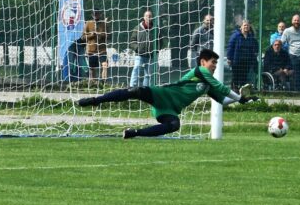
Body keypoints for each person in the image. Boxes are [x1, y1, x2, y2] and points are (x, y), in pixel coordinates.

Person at [77, 49, 257, 139]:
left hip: (170, 108)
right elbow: (225, 89)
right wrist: (240, 98)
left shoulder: (208, 85)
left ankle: (134, 133)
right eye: (213, 62)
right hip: (163, 95)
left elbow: (223, 99)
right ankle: (96, 100)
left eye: (216, 63)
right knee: (136, 90)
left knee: (174, 125)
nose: (215, 66)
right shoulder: (200, 71)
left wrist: (243, 101)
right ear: (203, 62)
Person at [226, 19, 258, 91]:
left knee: (244, 77)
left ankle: (242, 92)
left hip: (247, 61)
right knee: (235, 76)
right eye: (244, 25)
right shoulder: (235, 35)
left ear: (249, 26)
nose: (246, 27)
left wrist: (254, 54)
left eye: (247, 25)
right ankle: (234, 90)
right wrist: (229, 58)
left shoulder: (251, 37)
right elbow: (230, 47)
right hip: (236, 60)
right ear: (241, 27)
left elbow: (255, 47)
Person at [129, 9, 156, 87]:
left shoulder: (155, 28)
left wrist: (156, 50)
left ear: (152, 18)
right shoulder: (137, 28)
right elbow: (132, 41)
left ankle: (145, 88)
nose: (148, 17)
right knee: (136, 69)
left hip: (151, 55)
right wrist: (138, 48)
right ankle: (132, 87)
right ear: (144, 17)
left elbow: (160, 40)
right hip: (139, 54)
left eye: (150, 16)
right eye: (147, 16)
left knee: (148, 73)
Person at [81, 9, 108, 83]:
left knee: (105, 65)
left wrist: (100, 35)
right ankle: (94, 83)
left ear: (100, 14)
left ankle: (103, 82)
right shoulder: (88, 23)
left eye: (97, 14)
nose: (96, 15)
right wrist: (91, 35)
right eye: (94, 14)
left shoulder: (104, 24)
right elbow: (83, 37)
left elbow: (109, 35)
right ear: (92, 15)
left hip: (102, 50)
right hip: (91, 50)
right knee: (92, 68)